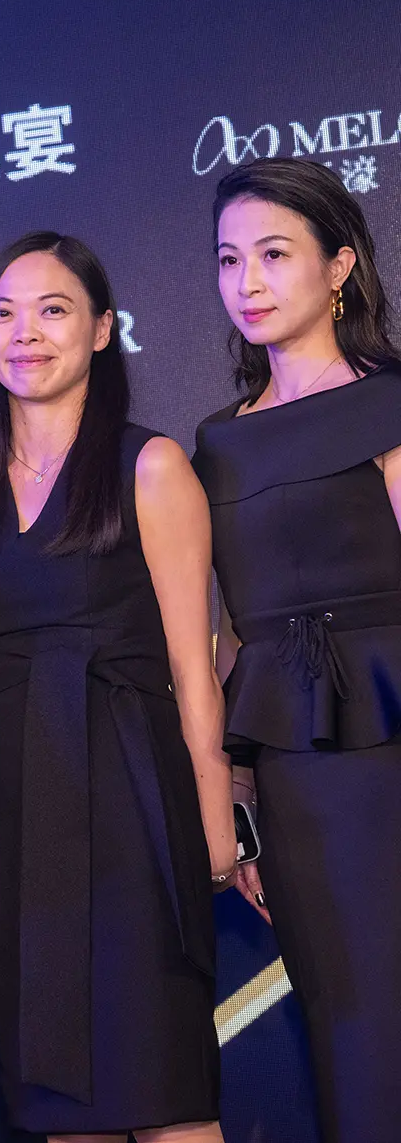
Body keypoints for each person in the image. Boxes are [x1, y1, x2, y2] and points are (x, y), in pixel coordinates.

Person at [0, 234, 230, 1141]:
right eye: (3, 313)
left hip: (137, 801)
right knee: (60, 1100)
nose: (25, 333)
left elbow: (194, 664)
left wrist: (214, 813)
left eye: (53, 310)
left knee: (167, 1093)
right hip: (17, 809)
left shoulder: (152, 466)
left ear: (101, 328)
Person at [193, 157, 401, 1142]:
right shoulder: (216, 443)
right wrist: (237, 799)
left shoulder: (389, 403)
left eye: (274, 254)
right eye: (229, 259)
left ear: (339, 265)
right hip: (295, 773)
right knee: (348, 1018)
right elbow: (230, 630)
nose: (248, 282)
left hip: (388, 734)